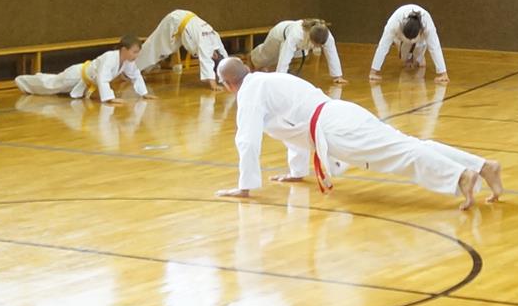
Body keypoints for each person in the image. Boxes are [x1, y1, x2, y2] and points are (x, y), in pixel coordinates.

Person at [214, 58, 501, 207]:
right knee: (407, 144)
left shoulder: (250, 93)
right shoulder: (270, 80)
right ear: (247, 67)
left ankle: (461, 176)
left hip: (336, 130)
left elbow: (247, 140)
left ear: (228, 85)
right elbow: (293, 129)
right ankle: (482, 166)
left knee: (399, 153)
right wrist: (296, 172)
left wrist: (245, 186)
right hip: (340, 114)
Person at [15, 37, 150, 102]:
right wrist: (110, 98)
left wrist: (144, 93)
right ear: (124, 49)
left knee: (55, 87)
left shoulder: (127, 62)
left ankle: (34, 79)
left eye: (138, 52)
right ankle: (23, 81)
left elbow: (135, 75)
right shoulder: (109, 58)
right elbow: (102, 78)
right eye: (134, 52)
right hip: (76, 75)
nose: (136, 55)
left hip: (84, 82)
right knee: (50, 86)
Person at [135, 9, 230, 86]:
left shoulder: (215, 38)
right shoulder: (206, 45)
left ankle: (140, 69)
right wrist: (213, 84)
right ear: (215, 56)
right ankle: (133, 68)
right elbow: (206, 61)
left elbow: (225, 57)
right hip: (175, 21)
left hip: (183, 22)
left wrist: (227, 76)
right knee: (157, 47)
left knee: (164, 51)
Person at [369, 4, 449, 80]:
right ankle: (401, 47)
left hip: (420, 38)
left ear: (421, 31)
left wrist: (443, 74)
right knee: (404, 59)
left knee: (420, 62)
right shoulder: (394, 23)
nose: (411, 41)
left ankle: (420, 55)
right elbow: (383, 46)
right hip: (400, 36)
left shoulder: (427, 23)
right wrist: (373, 72)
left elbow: (435, 47)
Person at [251, 18, 344, 83]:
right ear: (309, 35)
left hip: (299, 45)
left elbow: (332, 53)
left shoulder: (327, 36)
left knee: (296, 59)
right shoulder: (296, 34)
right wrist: (280, 77)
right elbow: (285, 56)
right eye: (316, 44)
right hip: (278, 34)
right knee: (265, 56)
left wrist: (337, 76)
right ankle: (251, 58)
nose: (317, 47)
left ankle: (280, 72)